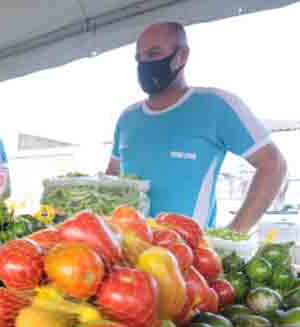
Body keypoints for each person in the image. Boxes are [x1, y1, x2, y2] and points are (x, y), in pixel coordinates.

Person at [106, 22, 287, 232]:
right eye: (139, 58)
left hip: (190, 258)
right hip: (127, 254)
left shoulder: (216, 105)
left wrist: (233, 233)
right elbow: (111, 177)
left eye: (153, 54)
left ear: (181, 56)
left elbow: (273, 165)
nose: (144, 63)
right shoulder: (128, 118)